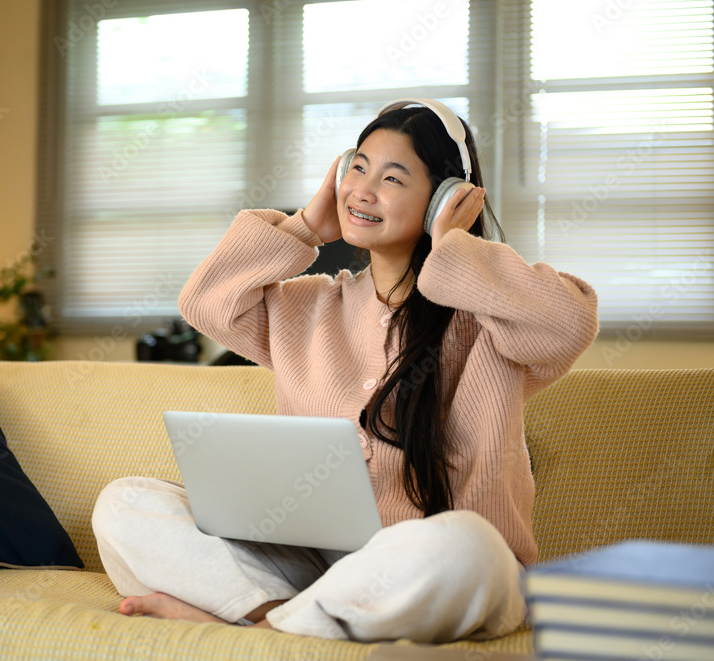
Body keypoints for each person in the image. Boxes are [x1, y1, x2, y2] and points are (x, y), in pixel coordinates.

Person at [91, 100, 599, 643]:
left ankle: (251, 626)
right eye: (357, 167)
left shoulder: (492, 320)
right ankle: (285, 622)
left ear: (444, 199)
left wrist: (455, 245)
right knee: (125, 503)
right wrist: (306, 226)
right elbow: (207, 303)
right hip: (313, 565)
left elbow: (570, 322)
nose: (363, 189)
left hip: (428, 568)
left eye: (392, 177)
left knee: (466, 545)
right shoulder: (307, 307)